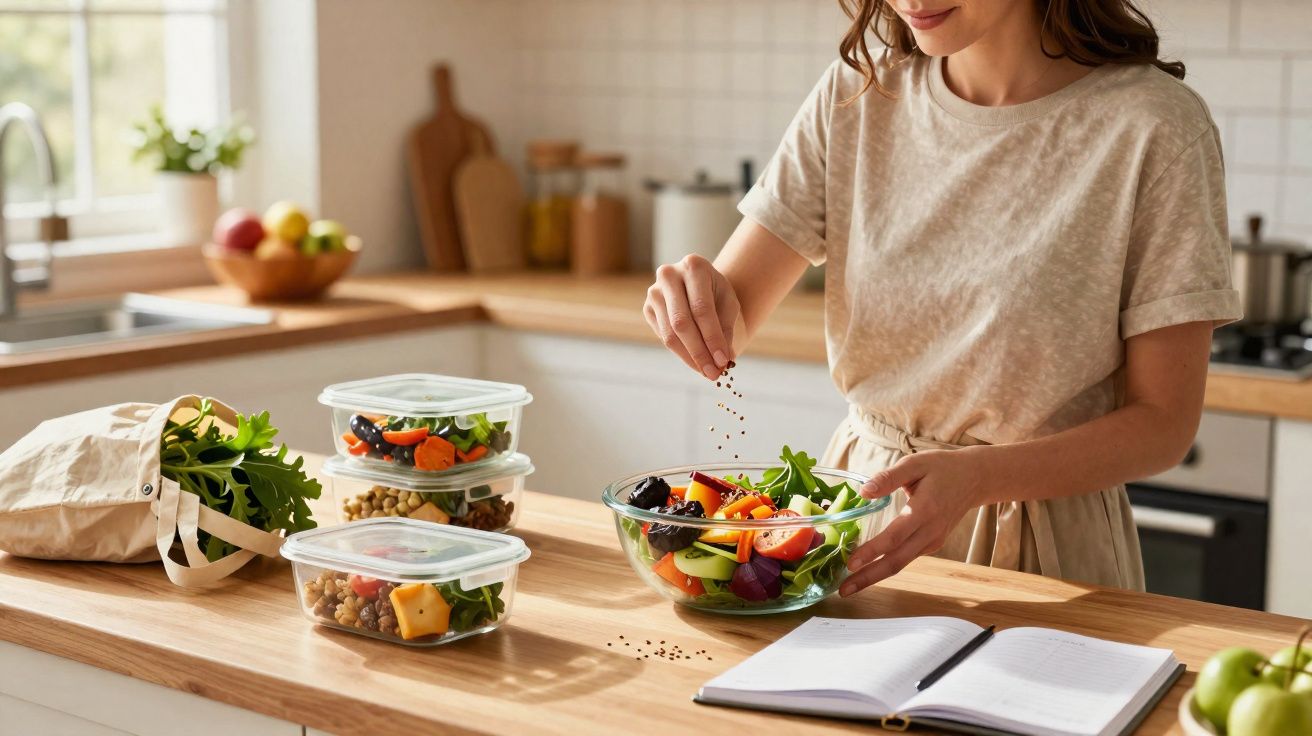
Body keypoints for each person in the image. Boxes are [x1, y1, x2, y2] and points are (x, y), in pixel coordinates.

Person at [642, 0, 1240, 596]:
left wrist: (979, 477)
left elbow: (1165, 424)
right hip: (858, 524)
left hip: (1040, 546)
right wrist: (690, 302)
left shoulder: (1154, 125)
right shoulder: (857, 93)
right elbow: (728, 317)